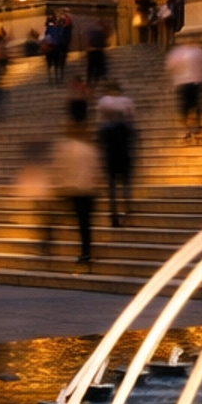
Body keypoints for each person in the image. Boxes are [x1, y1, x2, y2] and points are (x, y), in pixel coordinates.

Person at [49, 117, 102, 267]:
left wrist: (58, 184)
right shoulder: (90, 149)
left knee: (80, 222)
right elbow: (97, 170)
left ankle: (51, 241)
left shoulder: (68, 147)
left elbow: (61, 168)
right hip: (87, 191)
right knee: (85, 224)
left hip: (75, 190)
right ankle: (86, 251)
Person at [95, 84, 137, 226]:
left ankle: (113, 214)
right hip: (124, 157)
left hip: (110, 158)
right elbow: (132, 139)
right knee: (125, 184)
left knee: (112, 187)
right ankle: (127, 207)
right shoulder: (125, 127)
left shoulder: (104, 128)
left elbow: (100, 144)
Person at [167, 35, 202, 140]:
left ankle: (187, 128)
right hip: (196, 81)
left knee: (184, 107)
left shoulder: (179, 52)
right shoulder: (198, 50)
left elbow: (170, 65)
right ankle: (197, 124)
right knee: (196, 104)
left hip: (183, 83)